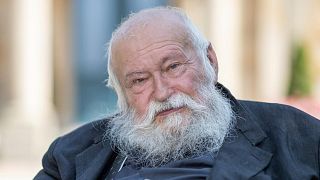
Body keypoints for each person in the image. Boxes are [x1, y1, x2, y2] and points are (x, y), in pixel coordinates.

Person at [35, 7, 320, 180]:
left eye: (173, 67)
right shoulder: (70, 156)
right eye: (138, 80)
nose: (162, 92)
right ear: (121, 95)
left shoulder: (296, 136)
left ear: (210, 60)